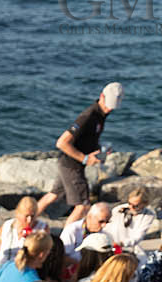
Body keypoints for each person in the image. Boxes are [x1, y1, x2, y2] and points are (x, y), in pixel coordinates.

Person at [37, 81, 123, 220]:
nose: (109, 109)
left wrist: (99, 150)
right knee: (83, 206)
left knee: (53, 195)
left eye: (113, 107)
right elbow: (62, 142)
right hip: (72, 165)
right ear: (102, 96)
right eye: (108, 105)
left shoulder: (101, 115)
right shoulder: (88, 116)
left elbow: (86, 139)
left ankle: (26, 221)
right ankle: (67, 239)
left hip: (68, 164)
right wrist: (85, 158)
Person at [0, 198, 48, 275]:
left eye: (32, 216)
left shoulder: (42, 229)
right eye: (26, 216)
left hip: (23, 270)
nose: (29, 220)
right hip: (0, 268)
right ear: (18, 213)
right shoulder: (7, 226)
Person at [107, 184, 157, 252]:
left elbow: (138, 236)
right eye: (129, 203)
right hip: (111, 244)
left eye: (135, 206)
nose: (131, 207)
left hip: (129, 246)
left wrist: (122, 243)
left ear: (145, 204)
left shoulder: (148, 215)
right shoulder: (119, 209)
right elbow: (108, 228)